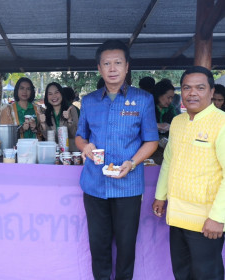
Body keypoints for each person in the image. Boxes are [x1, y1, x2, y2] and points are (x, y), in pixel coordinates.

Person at [75, 39, 159, 279]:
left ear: (127, 66)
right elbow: (80, 136)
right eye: (107, 63)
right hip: (94, 185)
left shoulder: (143, 100)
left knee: (125, 246)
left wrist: (132, 163)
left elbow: (152, 140)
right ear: (99, 68)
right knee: (98, 245)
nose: (112, 69)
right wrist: (86, 146)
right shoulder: (89, 101)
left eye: (118, 63)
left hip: (128, 185)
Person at [153, 66, 225, 280]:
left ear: (211, 92)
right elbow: (168, 161)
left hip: (206, 221)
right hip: (177, 216)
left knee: (206, 275)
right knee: (182, 273)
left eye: (200, 88)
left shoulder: (221, 122)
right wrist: (160, 195)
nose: (192, 93)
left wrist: (218, 217)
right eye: (187, 88)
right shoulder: (178, 122)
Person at [39, 83, 79, 151]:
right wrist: (42, 124)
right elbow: (46, 137)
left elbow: (75, 134)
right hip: (52, 153)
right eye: (50, 94)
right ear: (47, 97)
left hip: (70, 153)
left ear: (62, 94)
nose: (54, 96)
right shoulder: (45, 113)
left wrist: (69, 119)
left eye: (56, 92)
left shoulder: (71, 110)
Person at [150, 79, 179, 165]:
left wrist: (171, 126)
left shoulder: (171, 108)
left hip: (167, 148)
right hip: (150, 149)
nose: (170, 101)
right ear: (159, 94)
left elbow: (177, 123)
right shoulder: (148, 107)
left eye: (172, 98)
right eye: (168, 97)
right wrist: (156, 125)